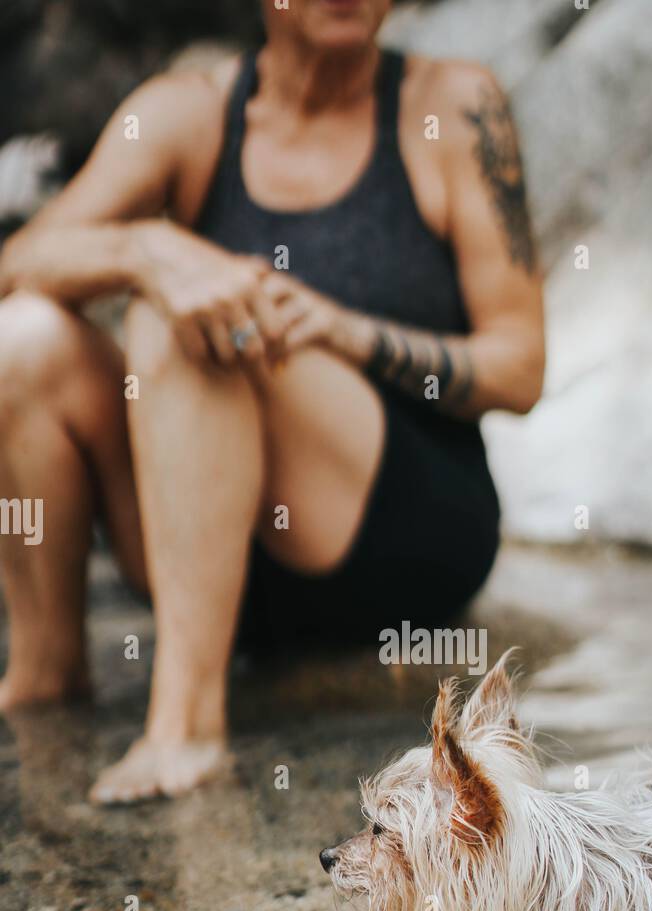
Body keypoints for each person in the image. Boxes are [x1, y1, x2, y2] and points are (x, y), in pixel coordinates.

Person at [0, 0, 545, 804]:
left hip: (399, 535)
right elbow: (19, 260)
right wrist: (146, 248)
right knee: (25, 338)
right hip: (208, 549)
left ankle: (187, 725)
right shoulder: (187, 114)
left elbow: (521, 368)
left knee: (203, 316)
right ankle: (47, 669)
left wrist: (343, 332)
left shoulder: (452, 106)